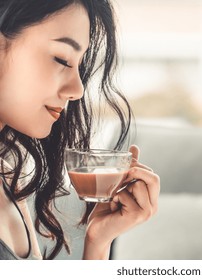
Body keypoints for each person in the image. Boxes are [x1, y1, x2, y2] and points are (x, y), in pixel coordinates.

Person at [0, 0, 160, 260]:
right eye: (62, 59)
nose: (78, 90)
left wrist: (99, 241)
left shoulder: (8, 175)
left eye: (79, 65)